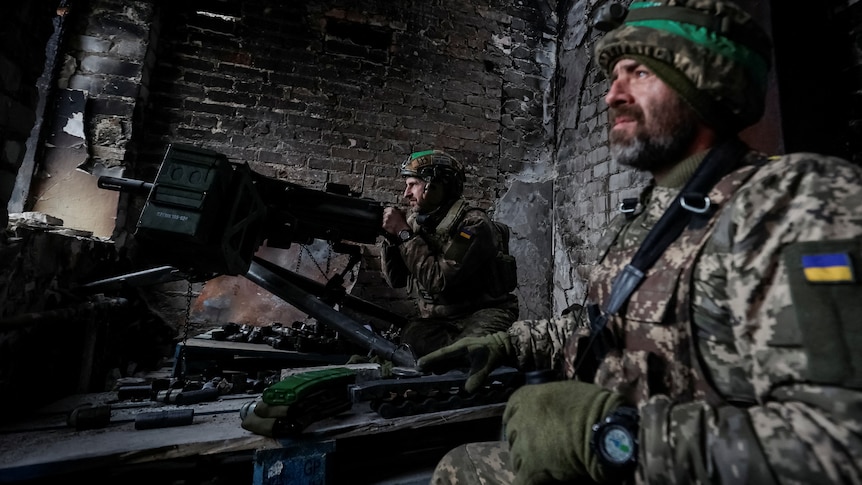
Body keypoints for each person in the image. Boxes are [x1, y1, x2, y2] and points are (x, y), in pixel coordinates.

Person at [417, 1, 862, 483]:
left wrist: (605, 435)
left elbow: (840, 444)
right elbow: (601, 327)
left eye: (640, 72)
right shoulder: (654, 211)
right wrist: (510, 343)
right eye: (613, 77)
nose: (612, 95)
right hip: (629, 459)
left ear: (703, 80)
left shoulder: (795, 201)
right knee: (460, 466)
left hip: (652, 461)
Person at [379, 149, 519, 360]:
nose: (406, 194)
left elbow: (439, 279)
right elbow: (396, 279)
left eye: (413, 185)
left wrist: (404, 235)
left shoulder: (473, 225)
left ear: (436, 185)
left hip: (482, 314)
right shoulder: (416, 223)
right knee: (409, 344)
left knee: (471, 353)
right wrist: (392, 240)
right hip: (439, 319)